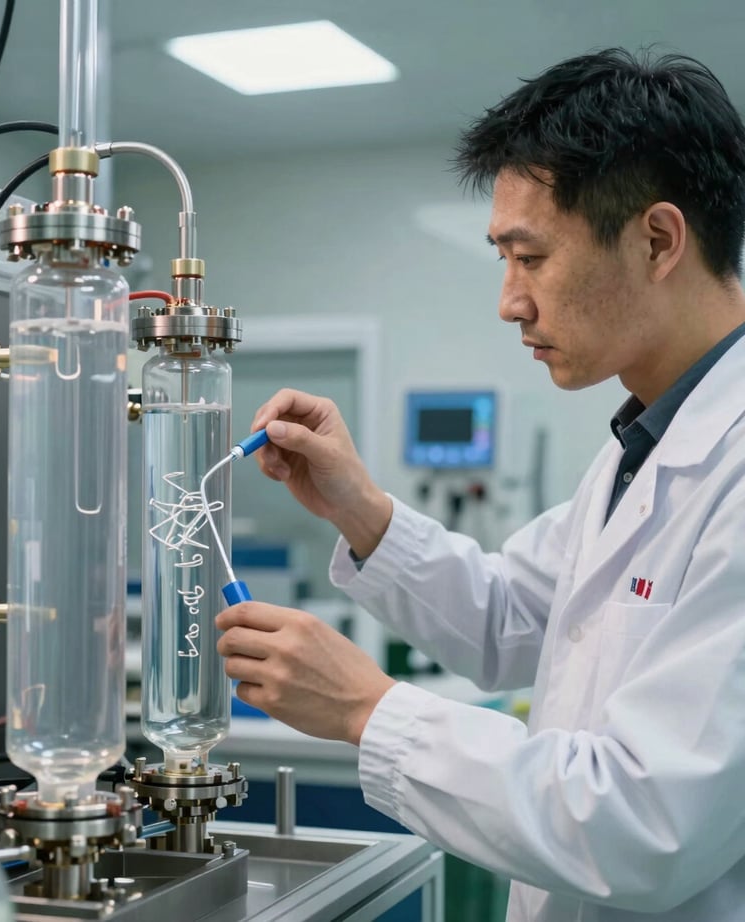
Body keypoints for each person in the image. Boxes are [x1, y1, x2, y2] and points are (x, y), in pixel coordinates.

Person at [215, 47, 745, 921]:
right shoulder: (639, 446)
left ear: (657, 240)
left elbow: (645, 825)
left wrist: (365, 707)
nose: (508, 301)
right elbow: (511, 620)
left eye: (529, 258)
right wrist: (363, 510)